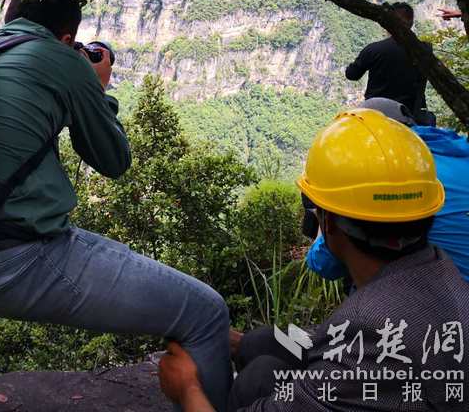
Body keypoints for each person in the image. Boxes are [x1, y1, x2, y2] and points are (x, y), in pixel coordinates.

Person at [0, 0, 233, 412]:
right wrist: (96, 86)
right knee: (206, 314)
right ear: (65, 39)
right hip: (18, 263)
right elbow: (113, 160)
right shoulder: (61, 59)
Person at [159, 109, 469, 411]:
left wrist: (187, 389)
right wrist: (219, 336)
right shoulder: (438, 267)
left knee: (257, 380)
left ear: (328, 223)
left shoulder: (368, 332)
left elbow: (358, 352)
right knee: (260, 342)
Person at [307, 98, 469, 282]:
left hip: (429, 292)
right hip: (452, 289)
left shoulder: (391, 174)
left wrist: (323, 215)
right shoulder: (455, 152)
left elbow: (324, 264)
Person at [345, 2, 433, 122]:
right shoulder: (425, 50)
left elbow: (351, 74)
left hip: (376, 114)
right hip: (409, 115)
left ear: (388, 23)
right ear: (411, 22)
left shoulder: (374, 49)